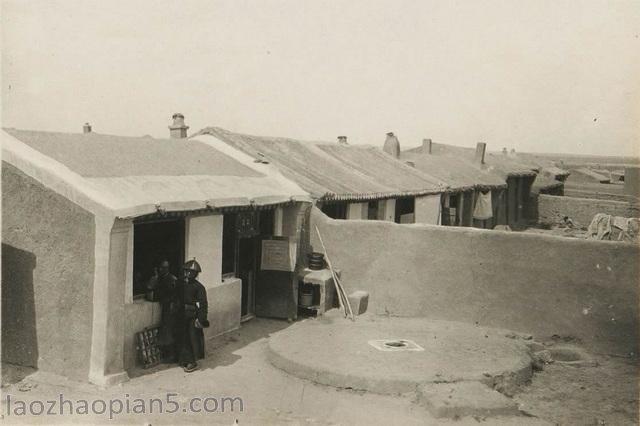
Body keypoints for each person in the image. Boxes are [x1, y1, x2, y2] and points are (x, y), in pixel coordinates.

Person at [176, 259, 210, 372]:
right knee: (182, 336)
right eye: (186, 271)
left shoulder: (199, 287)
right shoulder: (180, 283)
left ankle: (192, 361)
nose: (188, 274)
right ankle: (183, 358)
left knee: (192, 338)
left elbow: (203, 305)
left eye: (191, 272)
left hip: (192, 315)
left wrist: (201, 319)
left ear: (195, 274)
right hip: (180, 314)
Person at [146, 260, 179, 361]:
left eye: (164, 268)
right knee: (166, 331)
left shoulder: (172, 279)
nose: (161, 269)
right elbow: (150, 293)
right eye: (161, 267)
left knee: (170, 331)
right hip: (166, 307)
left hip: (171, 308)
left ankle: (172, 355)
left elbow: (176, 294)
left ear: (167, 268)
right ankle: (168, 354)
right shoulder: (159, 279)